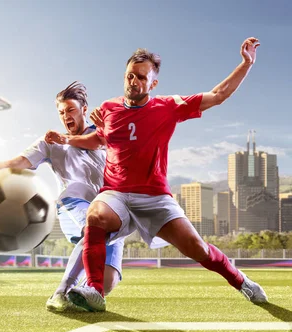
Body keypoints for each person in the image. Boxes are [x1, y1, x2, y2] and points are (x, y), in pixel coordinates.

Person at [45, 37, 267, 312]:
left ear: (152, 83)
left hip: (154, 196)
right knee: (95, 216)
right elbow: (100, 141)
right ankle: (95, 291)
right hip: (116, 193)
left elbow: (218, 95)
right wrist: (67, 140)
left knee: (197, 248)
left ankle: (242, 281)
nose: (133, 81)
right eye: (129, 76)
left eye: (141, 77)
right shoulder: (109, 109)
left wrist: (246, 63)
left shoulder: (168, 106)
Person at [0, 81, 126, 312]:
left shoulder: (104, 134)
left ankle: (81, 293)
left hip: (109, 205)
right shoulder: (51, 143)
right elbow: (12, 164)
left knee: (108, 280)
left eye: (71, 110)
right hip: (74, 203)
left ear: (85, 109)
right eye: (62, 112)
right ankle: (60, 293)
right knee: (95, 227)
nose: (66, 116)